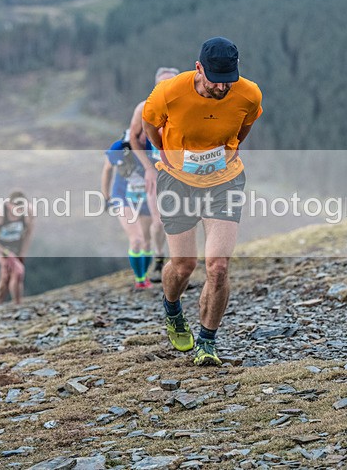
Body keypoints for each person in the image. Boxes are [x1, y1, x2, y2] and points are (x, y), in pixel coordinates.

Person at [142, 37, 263, 366]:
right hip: (177, 182)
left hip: (224, 181)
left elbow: (245, 126)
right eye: (215, 80)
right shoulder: (169, 92)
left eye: (229, 80)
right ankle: (172, 309)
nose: (222, 87)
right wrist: (166, 154)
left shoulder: (249, 94)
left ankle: (207, 342)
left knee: (218, 267)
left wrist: (229, 150)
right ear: (198, 68)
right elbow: (150, 124)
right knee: (183, 266)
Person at [129, 67, 180, 283]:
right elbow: (133, 138)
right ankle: (159, 258)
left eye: (170, 84)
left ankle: (180, 266)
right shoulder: (144, 108)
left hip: (183, 173)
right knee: (159, 222)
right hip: (157, 172)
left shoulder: (187, 106)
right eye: (160, 85)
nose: (165, 89)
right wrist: (148, 167)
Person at [101, 131, 154, 290]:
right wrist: (106, 196)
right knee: (136, 239)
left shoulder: (154, 145)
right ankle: (140, 279)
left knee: (146, 241)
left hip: (147, 197)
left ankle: (144, 274)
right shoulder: (119, 147)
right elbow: (107, 169)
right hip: (123, 196)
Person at [0, 190, 35, 305]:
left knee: (16, 274)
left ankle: (16, 303)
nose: (19, 211)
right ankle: (1, 303)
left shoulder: (28, 213)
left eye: (22, 208)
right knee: (8, 272)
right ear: (9, 205)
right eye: (16, 208)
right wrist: (4, 252)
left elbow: (29, 233)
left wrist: (23, 252)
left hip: (16, 245)